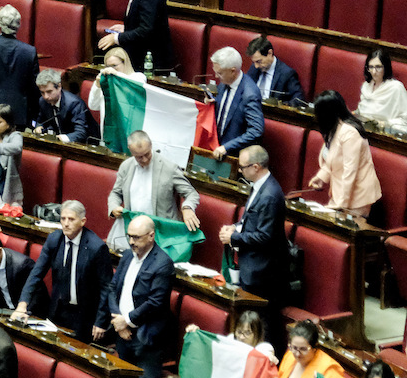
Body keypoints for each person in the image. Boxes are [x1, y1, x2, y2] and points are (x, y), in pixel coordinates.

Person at [107, 215, 174, 378]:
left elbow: (155, 302)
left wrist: (126, 321)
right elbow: (112, 289)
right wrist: (118, 320)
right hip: (122, 332)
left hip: (146, 338)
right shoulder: (127, 256)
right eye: (129, 236)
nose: (132, 241)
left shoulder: (162, 263)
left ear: (151, 236)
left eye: (136, 237)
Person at [218, 145, 290, 350]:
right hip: (256, 269)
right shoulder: (260, 186)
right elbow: (253, 222)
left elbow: (265, 237)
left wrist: (235, 238)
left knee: (263, 325)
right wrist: (236, 227)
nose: (239, 170)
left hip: (265, 275)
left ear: (256, 167)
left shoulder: (269, 195)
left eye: (242, 167)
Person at [11, 200, 112, 343]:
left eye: (71, 219)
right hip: (58, 309)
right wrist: (23, 303)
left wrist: (101, 321)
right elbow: (36, 273)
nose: (66, 223)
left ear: (83, 221)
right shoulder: (54, 239)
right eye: (63, 219)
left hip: (84, 314)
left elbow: (106, 287)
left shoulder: (96, 247)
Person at [106, 130, 201, 254]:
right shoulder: (126, 166)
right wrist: (113, 207)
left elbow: (191, 193)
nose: (144, 160)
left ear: (151, 146)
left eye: (147, 154)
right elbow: (116, 193)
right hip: (133, 232)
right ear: (130, 150)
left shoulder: (169, 168)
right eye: (139, 157)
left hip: (161, 234)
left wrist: (187, 207)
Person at [307, 90, 382, 218]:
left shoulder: (350, 133)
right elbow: (333, 158)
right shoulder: (335, 128)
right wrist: (321, 177)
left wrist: (342, 203)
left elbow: (350, 170)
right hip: (342, 192)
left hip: (357, 197)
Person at [210, 46, 265, 159]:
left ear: (233, 71)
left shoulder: (250, 94)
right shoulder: (225, 83)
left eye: (220, 73)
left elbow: (256, 131)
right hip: (215, 149)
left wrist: (227, 147)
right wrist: (212, 103)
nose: (216, 76)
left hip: (233, 156)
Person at [97, 0, 174, 73]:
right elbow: (149, 22)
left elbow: (146, 31)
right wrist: (128, 28)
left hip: (149, 63)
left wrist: (116, 38)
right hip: (139, 55)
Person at [0, 231, 46, 314]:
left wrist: (21, 312)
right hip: (4, 309)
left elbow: (37, 294)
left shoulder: (22, 265)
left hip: (27, 312)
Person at [88, 48, 147, 133]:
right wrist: (97, 86)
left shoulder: (138, 77)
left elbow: (137, 86)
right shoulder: (105, 81)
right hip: (109, 134)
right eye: (108, 66)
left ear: (125, 63)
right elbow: (93, 106)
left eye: (114, 65)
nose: (111, 69)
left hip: (130, 134)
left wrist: (116, 74)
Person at [33, 69, 98, 144]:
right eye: (42, 92)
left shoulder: (74, 103)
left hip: (84, 145)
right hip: (59, 143)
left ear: (59, 86)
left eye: (49, 91)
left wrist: (64, 137)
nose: (46, 96)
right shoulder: (43, 101)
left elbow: (81, 132)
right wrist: (39, 127)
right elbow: (41, 121)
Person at [355, 48, 407, 133]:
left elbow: (405, 120)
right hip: (363, 130)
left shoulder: (396, 88)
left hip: (384, 134)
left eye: (378, 67)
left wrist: (383, 124)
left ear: (385, 67)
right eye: (371, 67)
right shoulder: (366, 86)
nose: (374, 72)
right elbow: (361, 111)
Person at [245, 38, 305, 104]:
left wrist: (281, 106)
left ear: (270, 53)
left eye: (259, 61)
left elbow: (299, 100)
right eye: (254, 62)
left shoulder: (287, 74)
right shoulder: (255, 68)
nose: (256, 66)